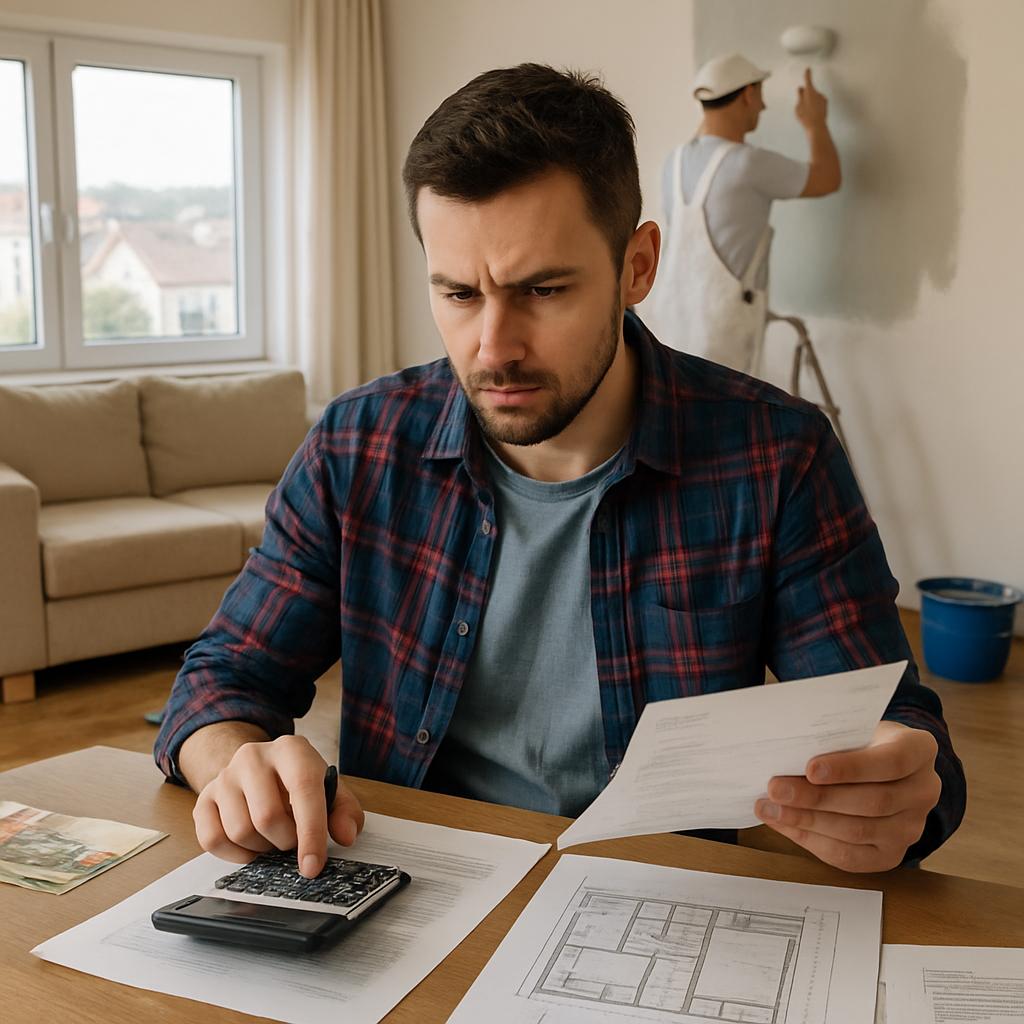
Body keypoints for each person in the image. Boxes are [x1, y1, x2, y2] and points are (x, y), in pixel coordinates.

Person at [155, 63, 963, 881]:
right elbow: (223, 676)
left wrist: (900, 781)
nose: (493, 347)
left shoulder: (775, 454)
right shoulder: (357, 445)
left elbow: (891, 721)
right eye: (460, 294)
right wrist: (233, 761)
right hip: (403, 889)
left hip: (655, 898)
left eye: (542, 289)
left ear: (638, 266)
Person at [644, 53, 841, 374]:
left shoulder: (674, 162)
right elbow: (828, 178)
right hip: (722, 328)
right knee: (722, 417)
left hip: (669, 319)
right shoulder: (748, 164)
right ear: (748, 94)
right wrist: (815, 122)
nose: (763, 108)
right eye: (760, 96)